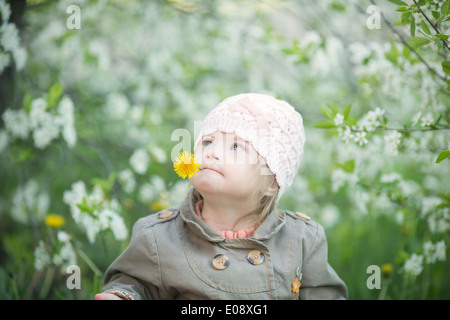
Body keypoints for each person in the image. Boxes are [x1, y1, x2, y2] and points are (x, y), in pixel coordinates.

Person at [95, 93, 347, 300]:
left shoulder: (302, 239)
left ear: (271, 182)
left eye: (236, 147)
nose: (212, 153)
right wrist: (123, 296)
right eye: (207, 142)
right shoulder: (158, 236)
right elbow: (134, 283)